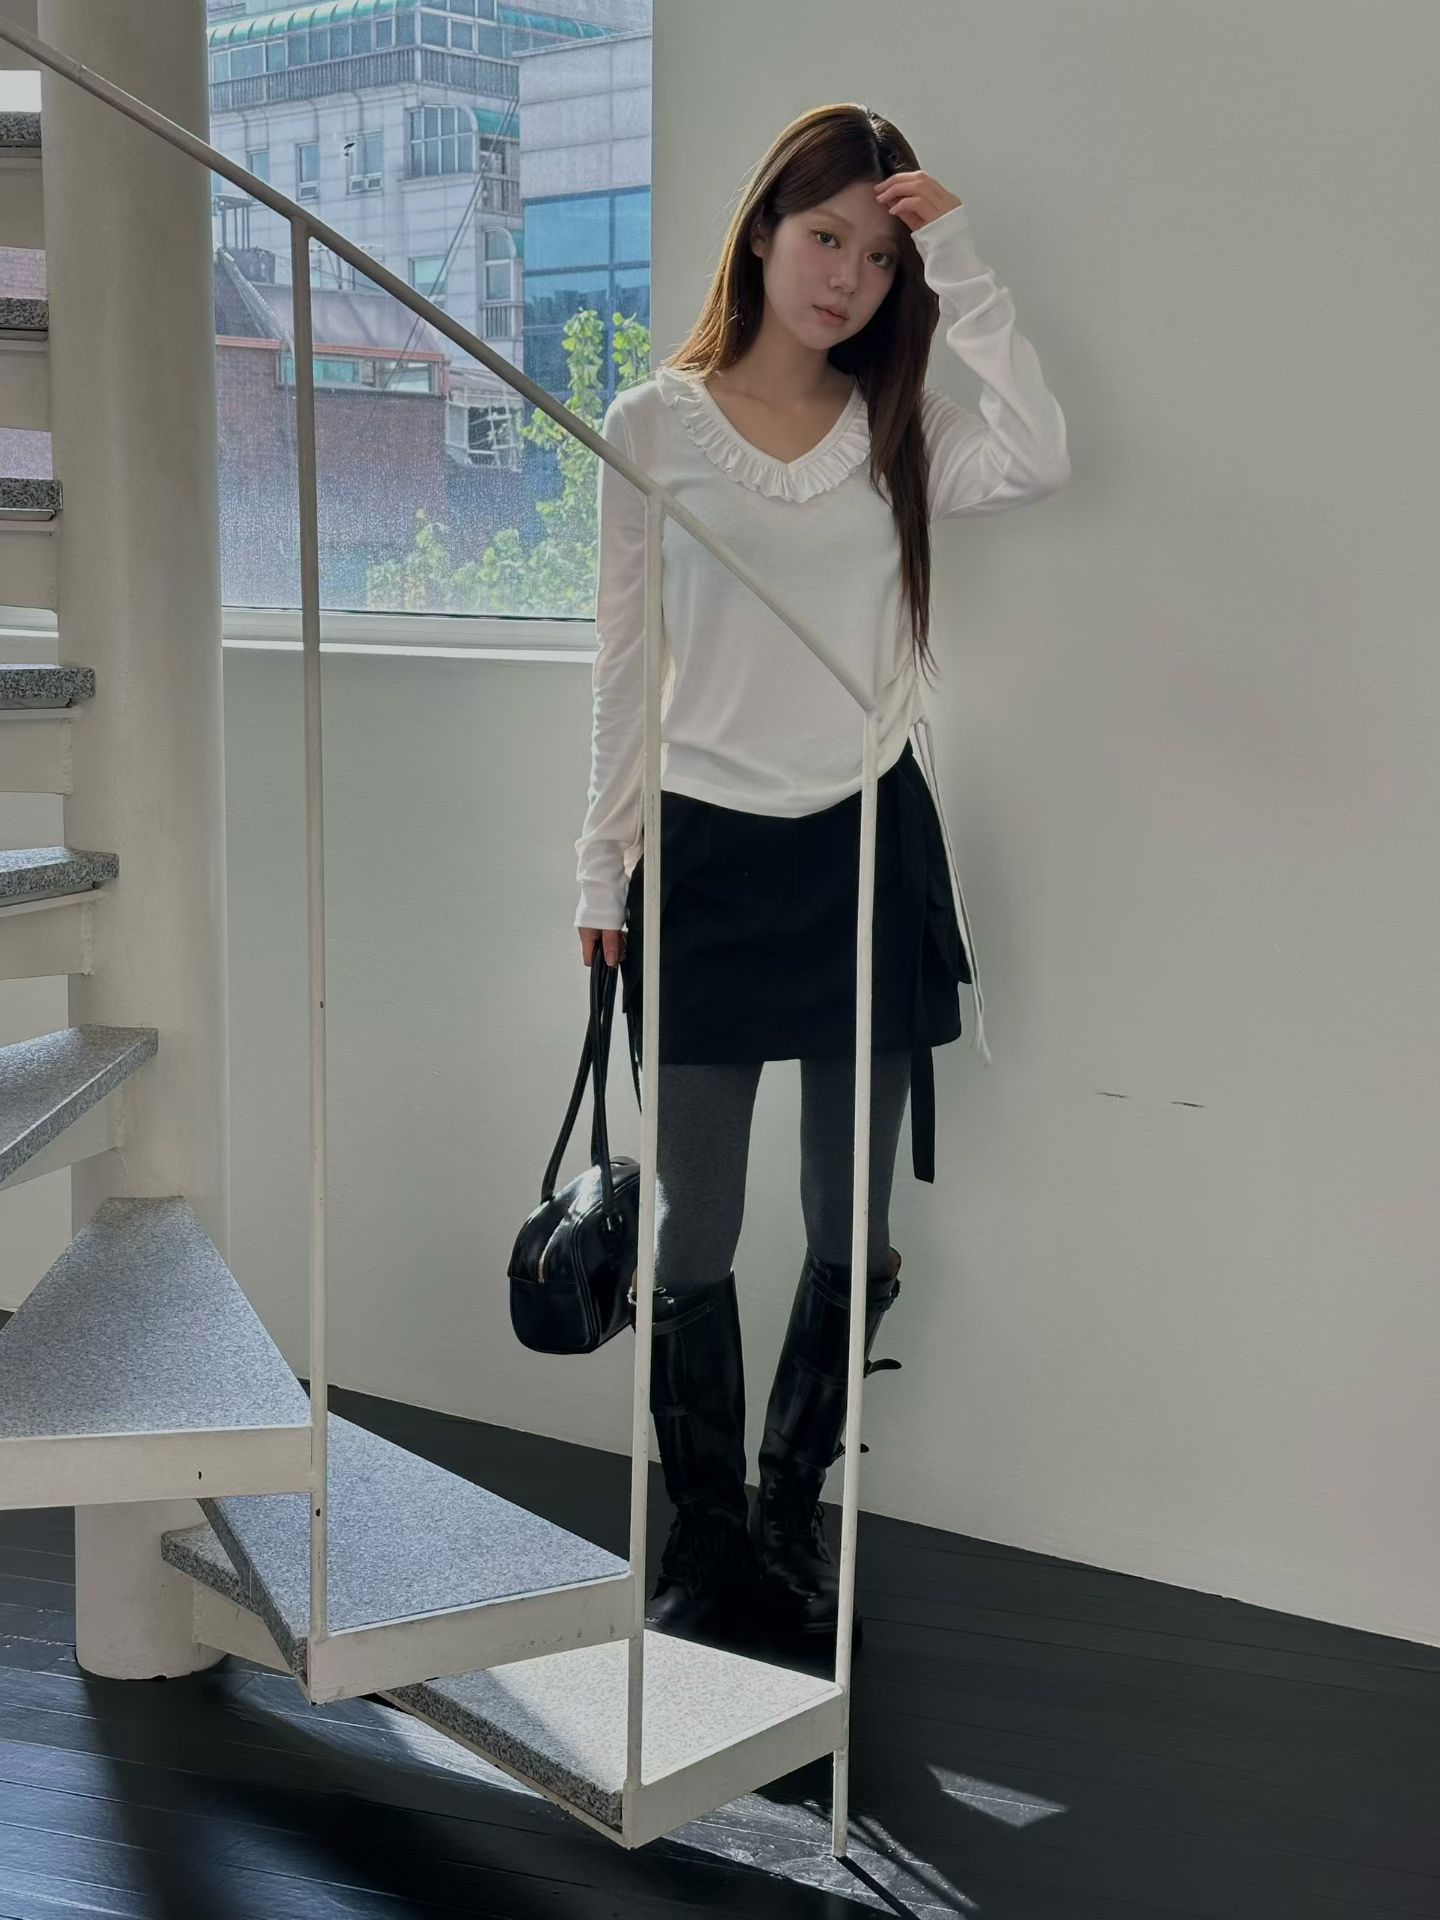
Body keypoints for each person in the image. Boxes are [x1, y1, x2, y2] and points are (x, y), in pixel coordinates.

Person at [573, 104, 1070, 1651]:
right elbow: (622, 668)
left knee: (847, 1217)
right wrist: (599, 871)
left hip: (866, 841)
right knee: (694, 1225)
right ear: (764, 236)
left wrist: (960, 255)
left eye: (877, 254)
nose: (847, 276)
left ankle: (791, 1513)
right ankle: (707, 1537)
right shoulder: (656, 425)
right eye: (824, 236)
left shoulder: (898, 426)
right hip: (704, 856)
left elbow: (1043, 455)